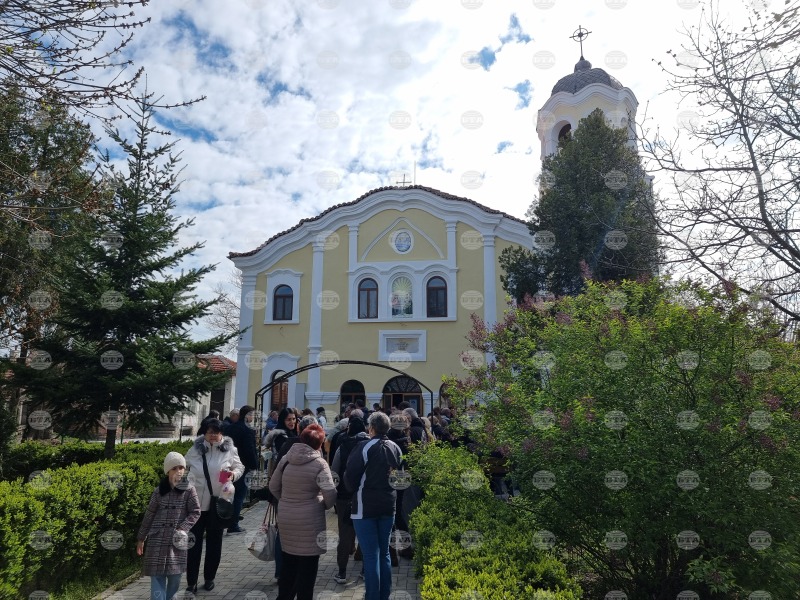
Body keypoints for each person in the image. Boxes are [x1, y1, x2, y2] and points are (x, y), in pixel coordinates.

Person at [268, 425, 337, 600]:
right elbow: (330, 494)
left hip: (287, 518)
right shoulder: (320, 463)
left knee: (288, 565)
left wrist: (286, 500)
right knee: (308, 569)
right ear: (319, 444)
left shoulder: (286, 459)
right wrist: (321, 504)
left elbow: (273, 486)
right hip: (310, 520)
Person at [344, 412, 403, 600]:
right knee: (384, 553)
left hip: (365, 506)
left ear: (371, 428)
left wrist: (353, 490)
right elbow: (399, 478)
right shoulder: (395, 447)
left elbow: (350, 476)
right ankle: (384, 595)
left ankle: (372, 596)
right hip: (388, 505)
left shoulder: (364, 446)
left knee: (371, 555)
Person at [184, 419, 244, 593]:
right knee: (193, 544)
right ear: (204, 432)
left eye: (216, 432)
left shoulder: (230, 450)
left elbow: (240, 467)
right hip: (196, 505)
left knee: (214, 544)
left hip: (218, 504)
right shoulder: (195, 449)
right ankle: (191, 582)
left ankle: (209, 578)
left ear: (221, 433)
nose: (212, 435)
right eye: (209, 432)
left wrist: (233, 474)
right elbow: (184, 468)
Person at [136, 452, 201, 600]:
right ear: (167, 471)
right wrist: (141, 538)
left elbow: (196, 512)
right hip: (157, 540)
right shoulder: (159, 491)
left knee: (175, 578)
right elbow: (149, 515)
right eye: (174, 468)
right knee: (157, 578)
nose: (178, 471)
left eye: (181, 468)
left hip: (177, 542)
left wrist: (182, 528)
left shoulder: (189, 490)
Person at [330, 415, 369, 584]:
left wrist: (334, 491)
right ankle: (364, 570)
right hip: (366, 496)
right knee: (366, 533)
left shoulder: (343, 445)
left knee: (345, 534)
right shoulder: (371, 445)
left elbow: (334, 471)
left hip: (345, 495)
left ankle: (342, 572)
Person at [262, 408, 299, 585]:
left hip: (288, 488)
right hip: (281, 488)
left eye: (294, 419)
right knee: (282, 531)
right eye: (288, 419)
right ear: (282, 420)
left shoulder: (293, 435)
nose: (292, 422)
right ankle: (280, 571)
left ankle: (286, 569)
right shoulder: (282, 438)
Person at [222, 404, 259, 534]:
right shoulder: (248, 430)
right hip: (243, 467)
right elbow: (250, 450)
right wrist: (255, 465)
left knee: (226, 494)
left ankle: (224, 520)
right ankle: (233, 525)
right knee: (239, 496)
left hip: (227, 465)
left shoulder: (229, 427)